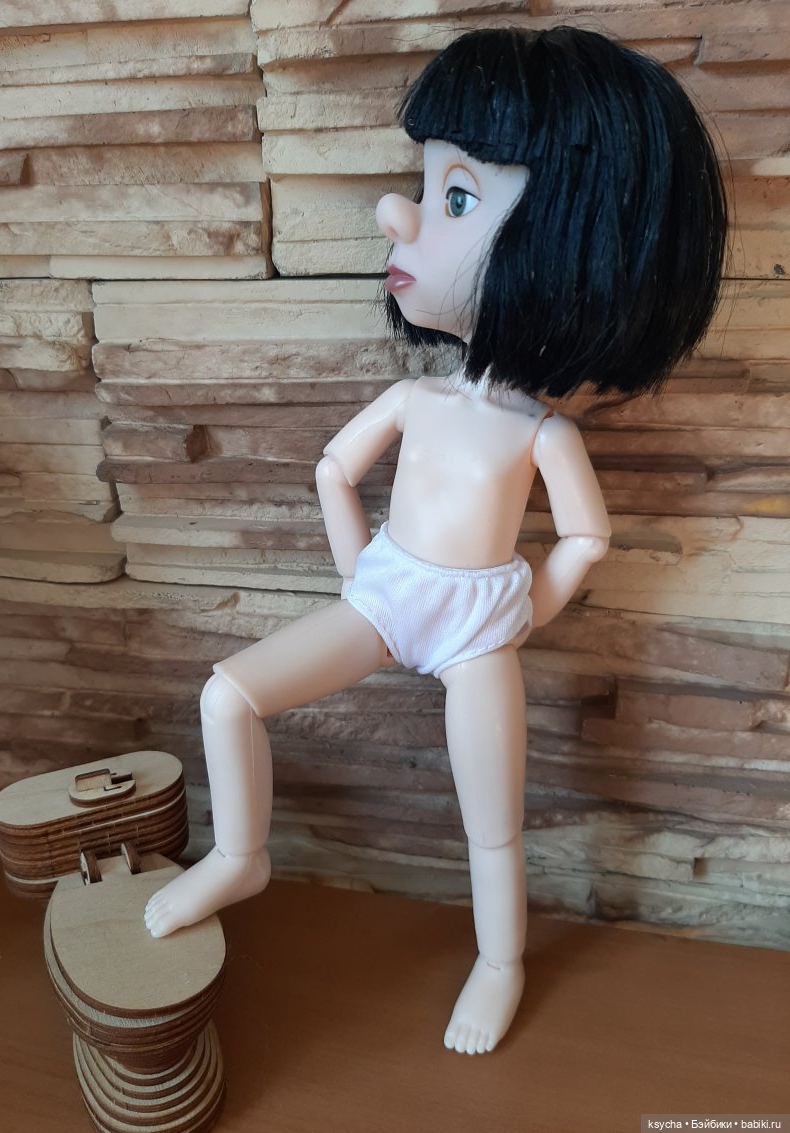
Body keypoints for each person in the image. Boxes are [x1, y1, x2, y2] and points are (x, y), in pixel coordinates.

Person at [144, 26, 727, 1055]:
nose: (396, 212)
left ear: (569, 245)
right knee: (229, 694)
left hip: (476, 631)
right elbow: (333, 472)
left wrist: (522, 610)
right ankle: (239, 855)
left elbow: (586, 537)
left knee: (490, 820)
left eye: (456, 197)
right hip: (387, 593)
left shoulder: (543, 434)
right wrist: (361, 579)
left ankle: (500, 962)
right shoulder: (416, 398)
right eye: (426, 185)